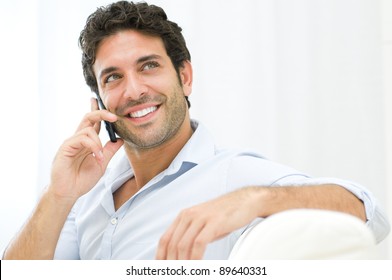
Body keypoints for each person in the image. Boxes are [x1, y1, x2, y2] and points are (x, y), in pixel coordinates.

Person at [3, 1, 390, 260]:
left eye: (149, 66)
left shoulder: (232, 176)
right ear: (100, 100)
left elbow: (370, 216)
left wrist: (251, 200)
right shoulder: (89, 195)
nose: (134, 90)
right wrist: (58, 195)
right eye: (113, 77)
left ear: (184, 77)